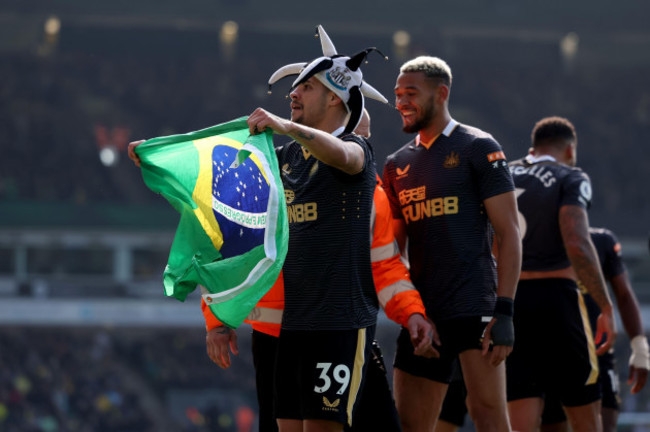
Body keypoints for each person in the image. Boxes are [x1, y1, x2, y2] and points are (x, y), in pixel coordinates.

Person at [245, 27, 434, 432]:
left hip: (338, 325)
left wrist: (288, 126)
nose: (292, 94)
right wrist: (163, 154)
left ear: (334, 97)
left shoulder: (356, 151)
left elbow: (344, 155)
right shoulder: (287, 157)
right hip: (291, 326)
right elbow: (225, 169)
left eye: (306, 87)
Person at [202, 108, 435, 432]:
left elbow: (384, 265)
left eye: (363, 137)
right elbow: (228, 245)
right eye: (349, 135)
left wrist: (411, 313)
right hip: (277, 337)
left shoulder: (372, 195)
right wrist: (218, 318)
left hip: (340, 329)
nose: (357, 144)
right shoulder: (273, 175)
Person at [382, 55, 522, 432]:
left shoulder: (478, 147)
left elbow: (509, 233)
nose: (401, 102)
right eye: (397, 94)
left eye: (411, 93)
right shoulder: (396, 165)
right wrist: (405, 309)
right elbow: (390, 252)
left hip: (474, 305)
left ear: (441, 93)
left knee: (489, 418)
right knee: (411, 426)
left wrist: (505, 310)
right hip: (423, 312)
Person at [507, 116, 617, 432]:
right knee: (585, 419)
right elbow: (577, 241)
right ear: (570, 149)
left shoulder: (501, 173)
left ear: (532, 148)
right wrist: (605, 306)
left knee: (522, 420)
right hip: (558, 302)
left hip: (512, 302)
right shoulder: (571, 176)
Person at [540, 227, 650, 432]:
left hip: (598, 351)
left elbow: (624, 294)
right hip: (550, 353)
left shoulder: (602, 242)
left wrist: (640, 346)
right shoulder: (536, 242)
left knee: (605, 427)